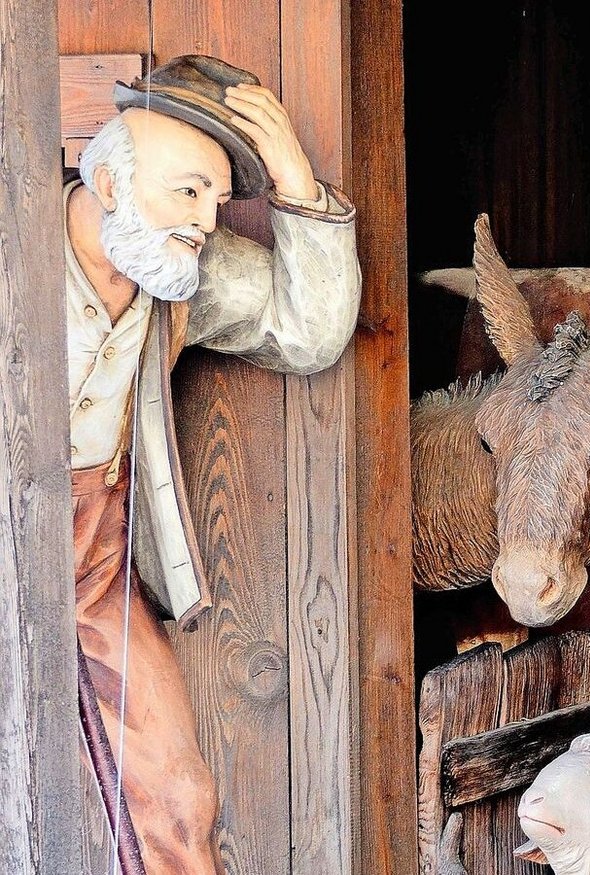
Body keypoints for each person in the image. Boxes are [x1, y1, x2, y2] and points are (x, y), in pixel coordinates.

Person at [66, 55, 360, 873]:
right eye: (185, 190)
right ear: (114, 183)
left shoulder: (177, 273)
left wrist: (295, 184)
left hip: (93, 560)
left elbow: (311, 330)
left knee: (180, 797)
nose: (202, 219)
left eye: (216, 198)